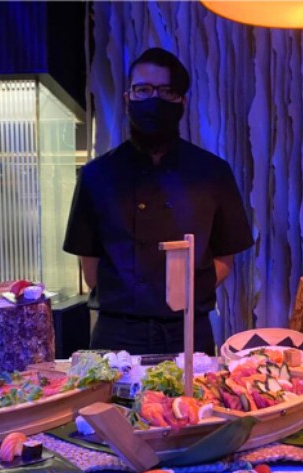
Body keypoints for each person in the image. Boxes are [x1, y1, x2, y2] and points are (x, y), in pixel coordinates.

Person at [63, 48, 253, 355]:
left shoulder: (213, 172)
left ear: (182, 102)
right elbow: (90, 267)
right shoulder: (96, 175)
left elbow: (225, 258)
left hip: (188, 330)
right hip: (116, 333)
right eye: (143, 90)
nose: (154, 99)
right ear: (128, 98)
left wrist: (184, 295)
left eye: (166, 91)